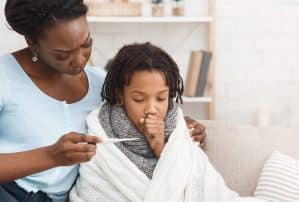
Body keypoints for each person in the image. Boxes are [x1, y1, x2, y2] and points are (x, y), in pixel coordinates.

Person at [0, 1, 206, 201]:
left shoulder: (103, 83)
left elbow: (136, 122)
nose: (80, 60)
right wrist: (51, 156)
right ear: (32, 43)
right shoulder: (4, 75)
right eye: (63, 55)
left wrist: (179, 128)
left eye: (86, 44)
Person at [69, 42, 240, 202]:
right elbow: (91, 190)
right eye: (138, 99)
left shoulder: (179, 128)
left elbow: (196, 186)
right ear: (120, 96)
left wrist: (160, 145)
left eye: (161, 98)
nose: (152, 109)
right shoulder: (100, 134)